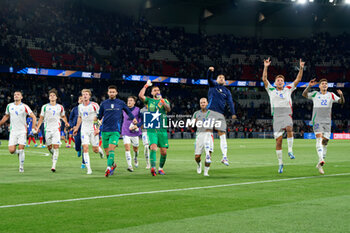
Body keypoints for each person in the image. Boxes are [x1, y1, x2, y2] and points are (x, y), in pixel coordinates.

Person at [262, 57, 305, 173]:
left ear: (284, 82)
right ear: (275, 83)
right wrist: (266, 67)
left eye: (281, 80)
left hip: (286, 114)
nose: (280, 81)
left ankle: (290, 150)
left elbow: (298, 79)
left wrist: (301, 68)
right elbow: (264, 79)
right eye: (278, 80)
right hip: (276, 117)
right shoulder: (271, 89)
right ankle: (280, 163)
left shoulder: (288, 89)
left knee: (289, 128)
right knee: (279, 141)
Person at [302, 78, 345, 174]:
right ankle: (321, 159)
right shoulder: (315, 94)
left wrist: (341, 95)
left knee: (325, 142)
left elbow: (341, 102)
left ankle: (319, 165)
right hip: (317, 120)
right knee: (319, 138)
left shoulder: (331, 95)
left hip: (327, 121)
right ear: (320, 86)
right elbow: (304, 95)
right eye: (323, 84)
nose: (325, 85)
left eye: (326, 83)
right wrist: (309, 86)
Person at [98, 85, 137, 177]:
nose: (111, 93)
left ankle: (108, 168)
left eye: (113, 92)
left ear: (116, 93)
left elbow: (128, 111)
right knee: (107, 153)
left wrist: (133, 119)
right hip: (104, 130)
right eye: (110, 92)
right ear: (108, 93)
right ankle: (113, 165)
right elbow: (99, 117)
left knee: (111, 149)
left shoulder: (120, 103)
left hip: (115, 130)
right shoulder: (104, 104)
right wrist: (96, 125)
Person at [205, 67, 236, 166]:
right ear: (216, 79)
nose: (221, 78)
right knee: (208, 133)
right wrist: (210, 71)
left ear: (225, 81)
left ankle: (225, 157)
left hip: (220, 114)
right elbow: (209, 78)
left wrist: (233, 113)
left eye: (223, 77)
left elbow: (230, 102)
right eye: (219, 77)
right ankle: (208, 155)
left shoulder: (227, 91)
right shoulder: (213, 85)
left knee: (222, 135)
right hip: (210, 112)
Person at [139, 80, 171, 176]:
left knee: (164, 152)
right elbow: (140, 96)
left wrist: (162, 102)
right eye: (154, 90)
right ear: (152, 92)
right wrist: (146, 86)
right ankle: (153, 167)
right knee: (153, 147)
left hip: (162, 128)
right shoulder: (149, 101)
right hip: (152, 128)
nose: (157, 91)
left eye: (158, 90)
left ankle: (160, 168)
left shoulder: (164, 100)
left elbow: (168, 109)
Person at [0, 91, 37, 172]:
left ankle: (21, 166)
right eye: (15, 95)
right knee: (11, 151)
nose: (16, 96)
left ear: (21, 97)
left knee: (21, 148)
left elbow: (33, 117)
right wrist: (0, 123)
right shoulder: (9, 106)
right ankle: (20, 153)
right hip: (13, 131)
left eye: (18, 95)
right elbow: (6, 116)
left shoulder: (25, 106)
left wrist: (33, 127)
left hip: (22, 131)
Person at [35, 88, 70, 172]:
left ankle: (53, 166)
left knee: (56, 146)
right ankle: (53, 154)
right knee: (49, 147)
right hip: (47, 129)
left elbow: (63, 116)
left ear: (56, 97)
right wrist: (37, 127)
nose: (52, 97)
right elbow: (41, 118)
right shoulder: (45, 107)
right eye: (50, 95)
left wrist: (66, 122)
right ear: (49, 97)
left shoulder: (60, 107)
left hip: (56, 129)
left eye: (53, 95)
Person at [73, 89, 104, 175]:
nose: (85, 96)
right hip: (84, 130)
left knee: (95, 149)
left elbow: (101, 116)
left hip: (93, 129)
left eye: (86, 94)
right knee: (85, 148)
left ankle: (100, 151)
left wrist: (98, 128)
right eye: (83, 94)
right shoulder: (80, 107)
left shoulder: (94, 105)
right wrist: (76, 128)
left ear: (89, 96)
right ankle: (88, 168)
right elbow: (80, 118)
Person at [192, 98, 214, 176]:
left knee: (208, 155)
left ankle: (206, 171)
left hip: (209, 135)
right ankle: (199, 164)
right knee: (197, 157)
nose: (203, 104)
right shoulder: (196, 113)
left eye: (204, 102)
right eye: (201, 103)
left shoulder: (212, 113)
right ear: (199, 104)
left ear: (207, 103)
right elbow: (192, 125)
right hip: (199, 135)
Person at [121, 96, 142, 172]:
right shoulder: (123, 110)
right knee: (127, 147)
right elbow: (121, 119)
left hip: (134, 132)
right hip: (125, 131)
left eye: (131, 100)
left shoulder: (137, 110)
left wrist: (137, 126)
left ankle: (135, 158)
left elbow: (141, 120)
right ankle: (130, 166)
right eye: (128, 100)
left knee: (135, 149)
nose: (129, 102)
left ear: (134, 102)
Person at [69, 95, 84, 167]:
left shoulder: (87, 108)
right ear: (78, 101)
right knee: (77, 145)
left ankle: (83, 163)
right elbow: (70, 118)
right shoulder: (75, 109)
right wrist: (72, 126)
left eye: (82, 99)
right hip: (76, 129)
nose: (81, 100)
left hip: (85, 129)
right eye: (80, 99)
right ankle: (78, 149)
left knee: (85, 145)